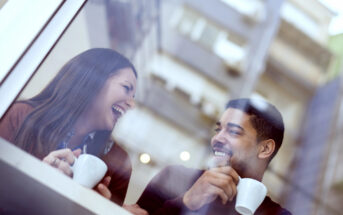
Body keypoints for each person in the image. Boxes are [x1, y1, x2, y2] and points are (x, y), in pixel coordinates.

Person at [0, 48, 147, 214]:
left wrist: (97, 210)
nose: (131, 105)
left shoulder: (119, 163)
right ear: (93, 80)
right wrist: (38, 178)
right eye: (126, 88)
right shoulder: (19, 116)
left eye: (133, 97)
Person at [137, 98, 292, 215]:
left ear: (265, 148)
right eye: (219, 130)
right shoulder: (173, 178)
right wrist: (187, 201)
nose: (217, 138)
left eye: (233, 132)